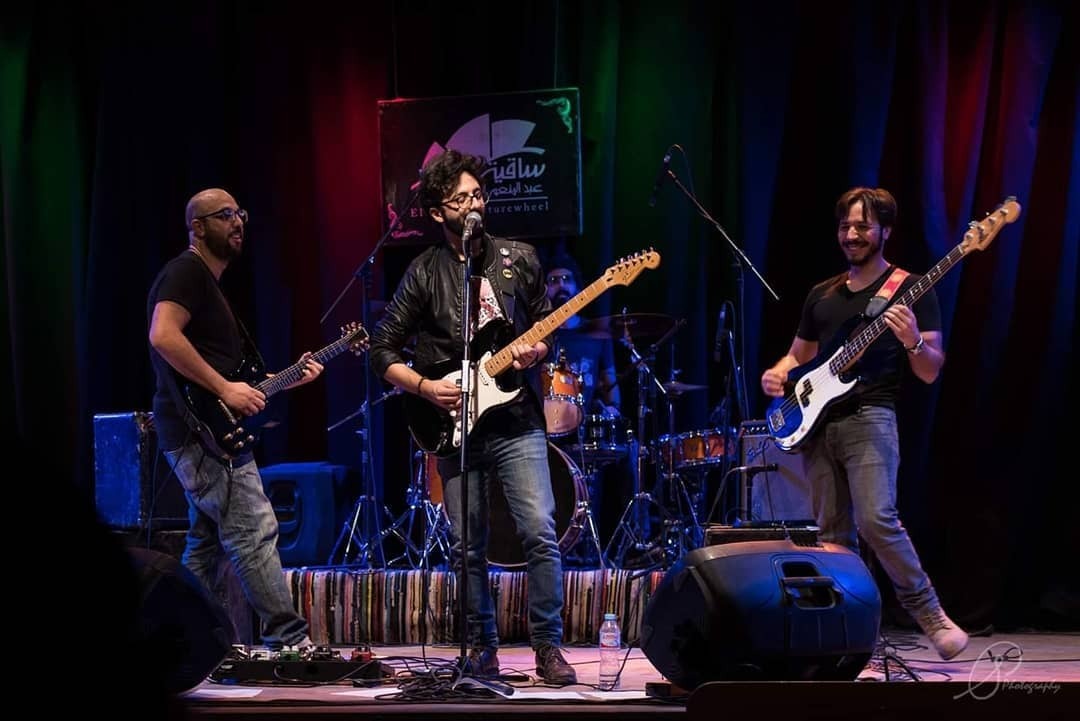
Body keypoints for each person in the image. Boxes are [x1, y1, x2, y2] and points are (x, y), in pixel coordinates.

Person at [368, 150, 577, 685]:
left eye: (478, 194)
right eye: (460, 199)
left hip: (516, 419)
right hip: (455, 426)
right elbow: (382, 349)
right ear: (439, 212)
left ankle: (548, 647)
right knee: (467, 546)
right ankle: (481, 649)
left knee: (540, 530)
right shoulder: (424, 272)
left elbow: (546, 330)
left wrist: (537, 349)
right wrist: (425, 387)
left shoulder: (518, 258)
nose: (473, 205)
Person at [760, 187, 968, 660]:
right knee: (833, 538)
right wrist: (777, 371)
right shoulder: (822, 294)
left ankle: (930, 614)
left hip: (871, 415)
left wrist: (914, 341)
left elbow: (930, 370)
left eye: (863, 226)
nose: (852, 235)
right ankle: (853, 641)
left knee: (877, 520)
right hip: (817, 426)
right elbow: (799, 355)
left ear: (885, 231)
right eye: (845, 226)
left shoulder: (911, 287)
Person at [147, 187, 322, 651]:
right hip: (202, 436)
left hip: (200, 432)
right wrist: (225, 389)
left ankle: (178, 641)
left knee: (204, 544)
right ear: (198, 227)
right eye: (224, 215)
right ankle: (290, 639)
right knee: (254, 530)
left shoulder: (208, 284)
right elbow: (163, 335)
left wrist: (289, 378)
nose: (238, 221)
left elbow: (236, 379)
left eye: (240, 213)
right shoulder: (187, 272)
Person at [543, 252, 629, 565]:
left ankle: (619, 546)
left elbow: (610, 385)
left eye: (566, 279)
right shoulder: (541, 336)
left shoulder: (597, 335)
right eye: (553, 280)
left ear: (579, 287)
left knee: (629, 453)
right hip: (545, 429)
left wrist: (613, 408)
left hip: (585, 427)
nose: (560, 286)